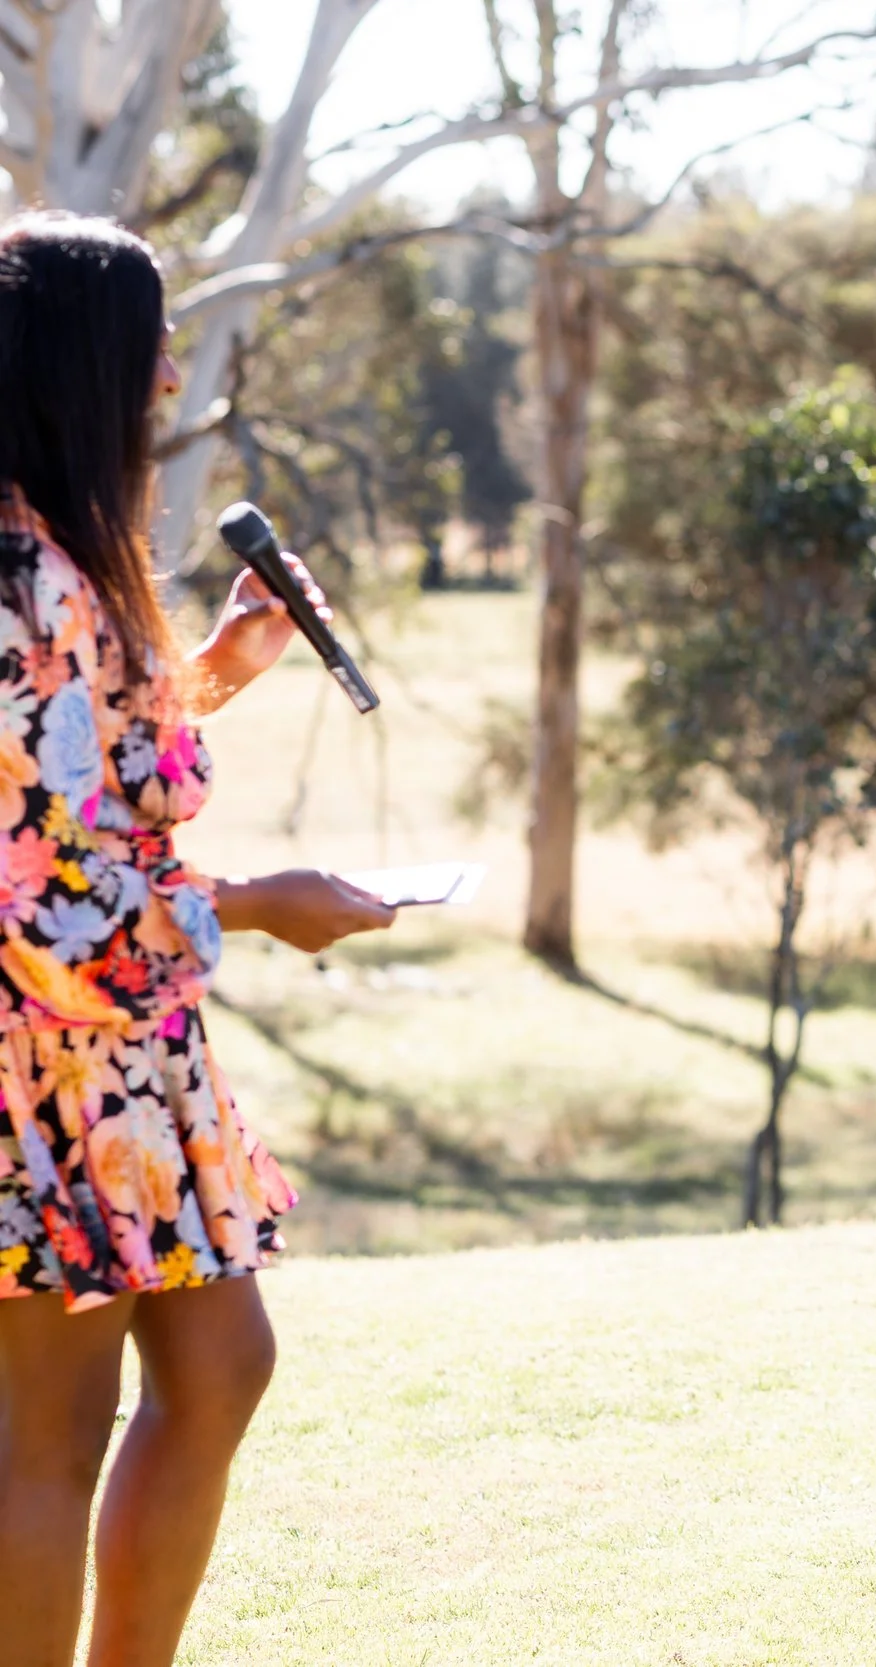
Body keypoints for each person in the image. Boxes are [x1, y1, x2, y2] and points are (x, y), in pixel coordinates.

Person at [0, 213, 398, 1667]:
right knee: (45, 1429)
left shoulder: (61, 556)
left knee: (221, 1366)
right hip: (43, 1054)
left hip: (132, 1047)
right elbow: (31, 884)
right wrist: (252, 898)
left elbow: (88, 764)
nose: (170, 369)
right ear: (77, 360)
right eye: (150, 339)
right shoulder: (11, 578)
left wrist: (221, 665)